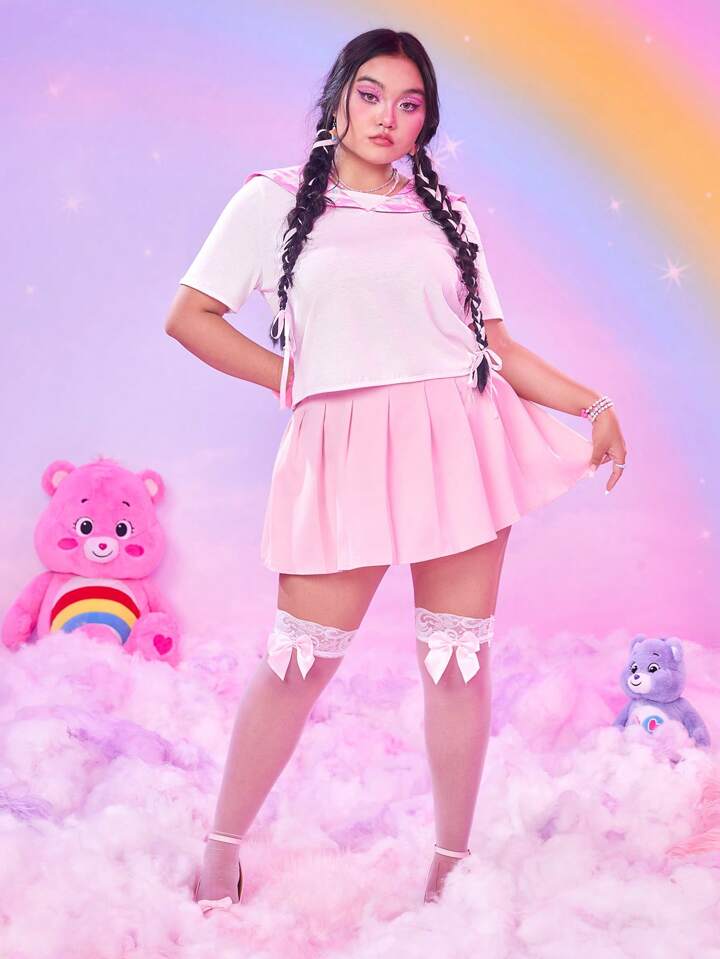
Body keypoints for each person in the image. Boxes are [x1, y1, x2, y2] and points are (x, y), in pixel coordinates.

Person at [164, 28, 628, 911]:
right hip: (342, 448)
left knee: (456, 663)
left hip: (458, 440)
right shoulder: (270, 200)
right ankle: (221, 852)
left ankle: (449, 869)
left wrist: (593, 405)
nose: (387, 117)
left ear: (426, 121)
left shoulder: (446, 215)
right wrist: (290, 378)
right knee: (297, 661)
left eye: (409, 104)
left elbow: (495, 344)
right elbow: (190, 316)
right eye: (371, 94)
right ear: (339, 96)